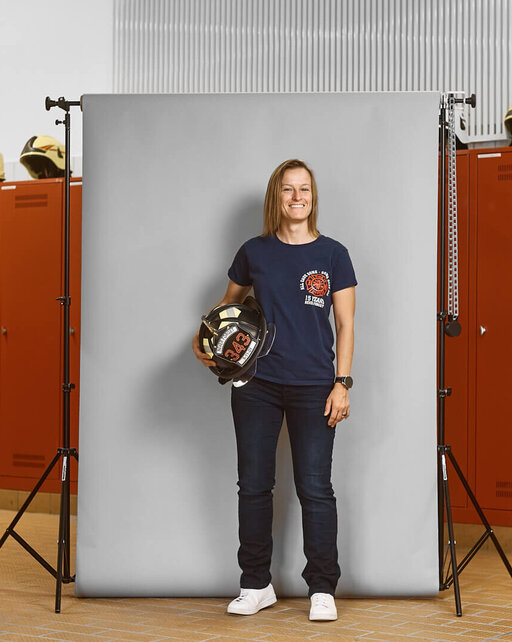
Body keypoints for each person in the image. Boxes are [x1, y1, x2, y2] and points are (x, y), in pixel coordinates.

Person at [191, 158, 356, 622]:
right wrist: (207, 342)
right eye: (288, 189)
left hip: (314, 386)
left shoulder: (333, 254)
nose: (297, 197)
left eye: (304, 189)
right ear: (276, 197)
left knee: (316, 488)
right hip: (256, 384)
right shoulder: (254, 252)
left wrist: (341, 383)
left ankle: (322, 588)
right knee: (254, 486)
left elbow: (345, 325)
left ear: (313, 197)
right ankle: (255, 584)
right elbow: (227, 309)